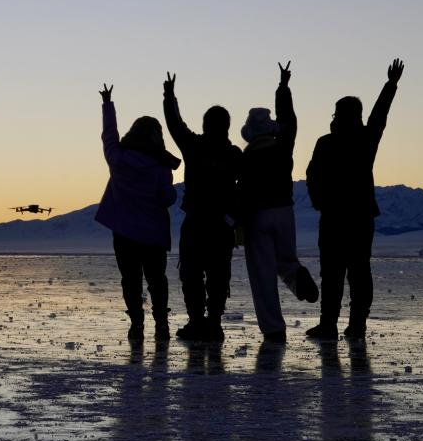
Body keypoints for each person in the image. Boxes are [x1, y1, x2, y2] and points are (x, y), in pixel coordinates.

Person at [305, 59, 405, 340]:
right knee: (351, 273)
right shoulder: (356, 138)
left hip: (342, 217)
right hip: (352, 217)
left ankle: (338, 324)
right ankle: (347, 324)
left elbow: (312, 175)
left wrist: (319, 201)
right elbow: (379, 117)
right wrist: (390, 85)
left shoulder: (337, 141)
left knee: (341, 273)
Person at [237, 62, 319, 342]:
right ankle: (298, 277)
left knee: (262, 273)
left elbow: (244, 193)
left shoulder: (247, 158)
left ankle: (273, 328)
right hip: (285, 211)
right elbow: (290, 119)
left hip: (258, 215)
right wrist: (283, 88)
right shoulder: (283, 146)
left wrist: (235, 222)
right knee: (286, 259)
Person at [95, 83, 181, 341]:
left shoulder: (118, 160)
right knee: (157, 280)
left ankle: (136, 324)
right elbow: (168, 198)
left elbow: (109, 135)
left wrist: (108, 104)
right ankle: (162, 323)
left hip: (124, 236)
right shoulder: (159, 168)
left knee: (130, 279)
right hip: (153, 236)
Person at [162, 72, 242, 342]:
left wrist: (169, 97)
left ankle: (201, 322)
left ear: (207, 125)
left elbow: (175, 125)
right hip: (218, 225)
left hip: (201, 224)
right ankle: (209, 322)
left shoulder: (198, 146)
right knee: (214, 275)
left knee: (195, 274)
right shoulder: (232, 154)